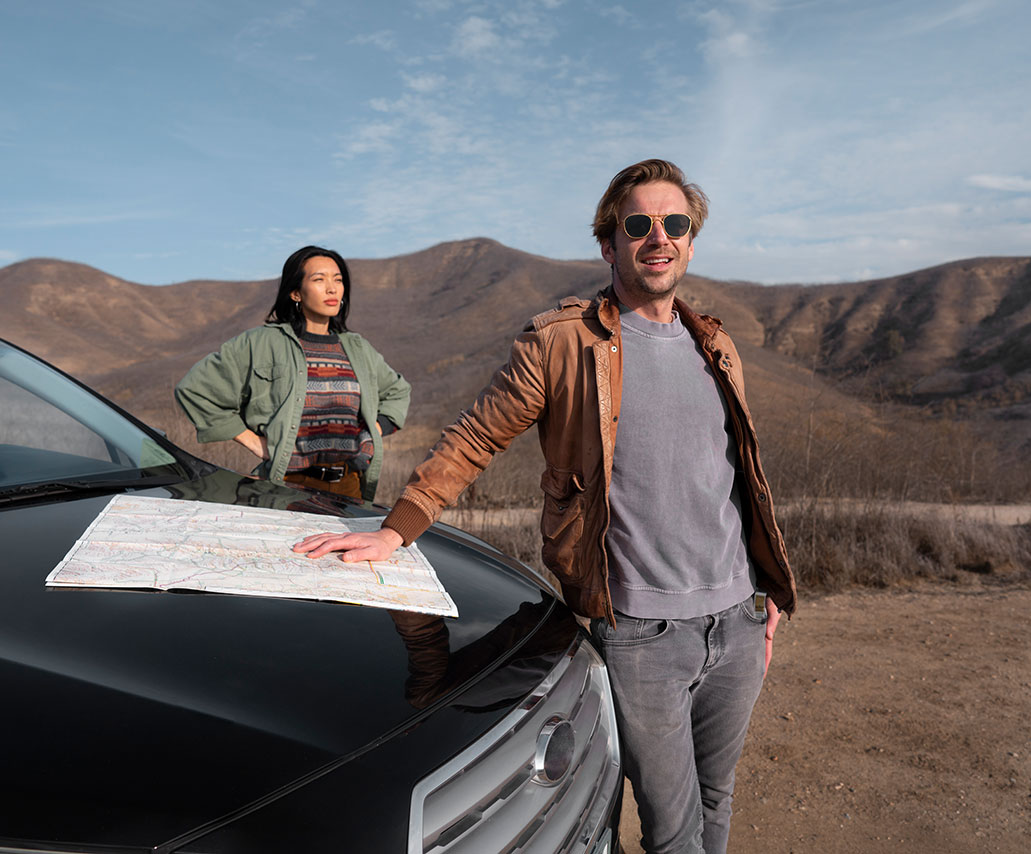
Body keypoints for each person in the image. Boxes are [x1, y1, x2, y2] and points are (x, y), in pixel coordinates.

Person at [294, 160, 796, 854]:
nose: (659, 237)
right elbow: (475, 436)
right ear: (609, 243)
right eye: (639, 225)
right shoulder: (565, 343)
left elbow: (737, 480)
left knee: (719, 796)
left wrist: (764, 593)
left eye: (674, 224)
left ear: (690, 239)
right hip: (644, 630)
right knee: (673, 826)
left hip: (737, 621)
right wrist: (397, 529)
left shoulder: (716, 345)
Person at [175, 245, 410, 501]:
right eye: (319, 279)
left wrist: (371, 433)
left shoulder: (357, 348)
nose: (332, 288)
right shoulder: (261, 343)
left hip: (349, 487)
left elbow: (398, 392)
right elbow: (195, 389)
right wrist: (255, 443)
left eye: (338, 279)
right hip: (285, 486)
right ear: (296, 292)